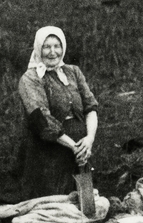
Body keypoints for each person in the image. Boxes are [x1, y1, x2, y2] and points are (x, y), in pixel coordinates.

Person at [15, 26, 99, 200]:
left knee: (87, 203)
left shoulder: (73, 72)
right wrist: (74, 147)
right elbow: (41, 120)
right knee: (56, 199)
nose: (52, 52)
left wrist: (89, 139)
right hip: (49, 150)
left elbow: (90, 107)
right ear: (38, 48)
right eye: (46, 47)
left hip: (81, 148)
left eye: (57, 46)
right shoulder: (30, 78)